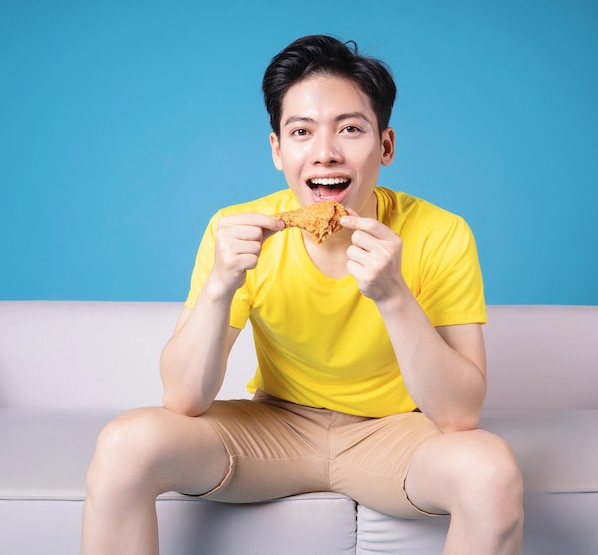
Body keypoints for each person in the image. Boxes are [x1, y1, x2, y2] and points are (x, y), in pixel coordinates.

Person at [82, 34, 524, 554]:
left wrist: (393, 296)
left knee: (491, 471)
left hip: (394, 435)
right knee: (123, 445)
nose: (325, 153)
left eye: (351, 129)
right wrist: (222, 285)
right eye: (301, 132)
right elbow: (183, 399)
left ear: (385, 146)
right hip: (277, 426)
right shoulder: (236, 229)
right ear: (277, 149)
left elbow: (458, 416)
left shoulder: (440, 233)